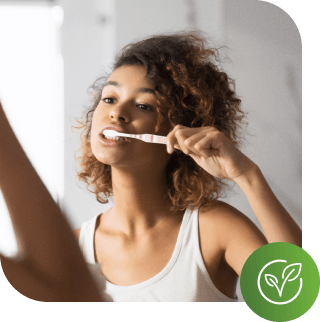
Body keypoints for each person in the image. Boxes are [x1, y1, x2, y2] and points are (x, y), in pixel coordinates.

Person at [0, 31, 301, 302]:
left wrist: (247, 175)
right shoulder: (72, 248)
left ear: (181, 129)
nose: (116, 112)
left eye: (143, 105)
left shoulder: (213, 229)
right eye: (109, 98)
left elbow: (298, 298)